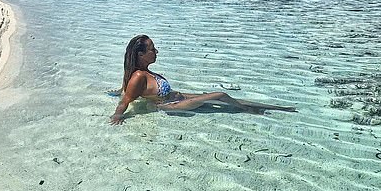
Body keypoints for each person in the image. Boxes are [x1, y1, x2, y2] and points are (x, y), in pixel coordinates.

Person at [110, 35, 296, 125]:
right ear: (141, 54)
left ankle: (276, 107)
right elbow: (126, 100)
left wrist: (117, 92)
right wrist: (118, 117)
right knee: (220, 95)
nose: (156, 51)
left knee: (218, 98)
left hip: (177, 97)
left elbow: (124, 90)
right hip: (170, 106)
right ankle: (249, 110)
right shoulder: (138, 76)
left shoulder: (142, 72)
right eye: (152, 49)